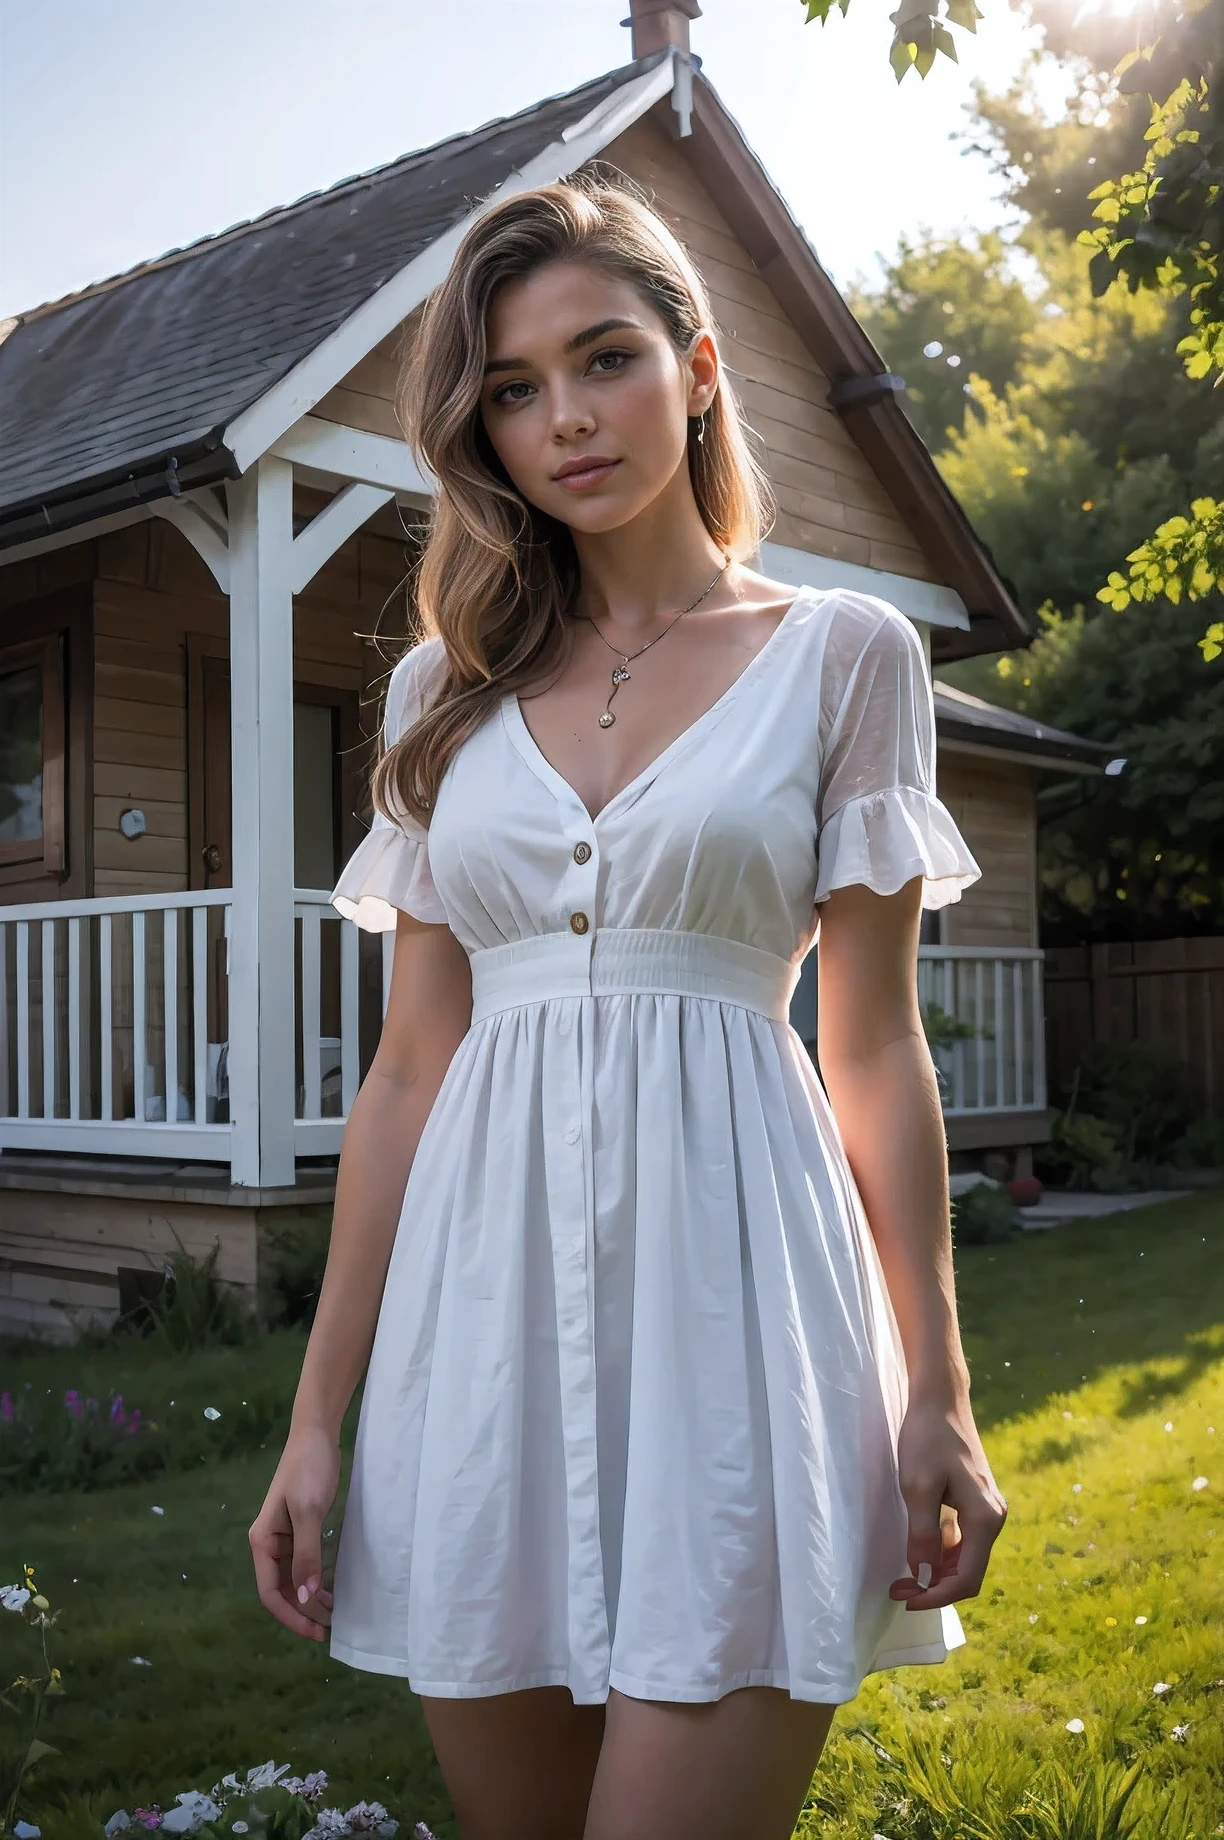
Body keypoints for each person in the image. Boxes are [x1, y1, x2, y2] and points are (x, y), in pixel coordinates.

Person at [249, 175, 1007, 1840]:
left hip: (743, 1321)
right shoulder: (438, 694)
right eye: (512, 391)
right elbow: (408, 1071)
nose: (564, 420)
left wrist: (937, 1391)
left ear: (703, 364)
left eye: (603, 359)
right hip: (480, 1339)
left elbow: (869, 1046)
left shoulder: (847, 656)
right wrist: (319, 1424)